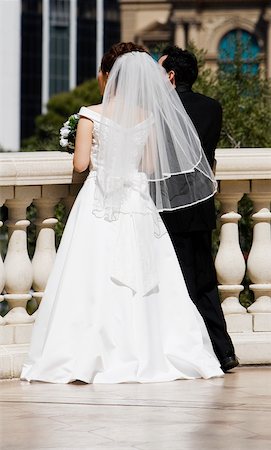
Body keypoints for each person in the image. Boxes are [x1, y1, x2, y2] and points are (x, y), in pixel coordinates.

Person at [21, 42, 224, 384]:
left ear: (107, 77)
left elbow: (81, 163)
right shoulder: (148, 118)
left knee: (91, 275)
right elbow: (148, 164)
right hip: (138, 201)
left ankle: (91, 351)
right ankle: (151, 349)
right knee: (145, 278)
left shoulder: (89, 114)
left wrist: (85, 144)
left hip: (100, 201)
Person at [158, 45, 238, 372]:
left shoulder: (160, 111)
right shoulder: (212, 108)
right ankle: (224, 351)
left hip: (167, 205)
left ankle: (190, 353)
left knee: (177, 285)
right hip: (202, 204)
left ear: (172, 76)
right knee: (205, 282)